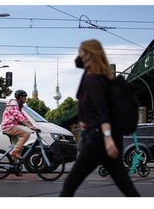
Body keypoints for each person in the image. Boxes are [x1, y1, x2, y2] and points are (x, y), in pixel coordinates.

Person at [59, 39, 140, 197]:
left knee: (70, 184)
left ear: (89, 54)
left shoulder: (94, 79)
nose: (78, 55)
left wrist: (108, 139)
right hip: (99, 139)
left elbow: (102, 111)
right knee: (126, 186)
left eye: (81, 52)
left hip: (97, 139)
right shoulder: (90, 76)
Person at [1, 90, 37, 159]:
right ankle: (14, 152)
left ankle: (13, 167)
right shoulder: (13, 105)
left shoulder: (17, 106)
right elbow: (20, 117)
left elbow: (25, 117)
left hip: (11, 127)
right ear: (20, 97)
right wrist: (29, 126)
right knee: (26, 134)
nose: (25, 99)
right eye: (24, 97)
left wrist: (32, 126)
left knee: (18, 148)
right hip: (8, 127)